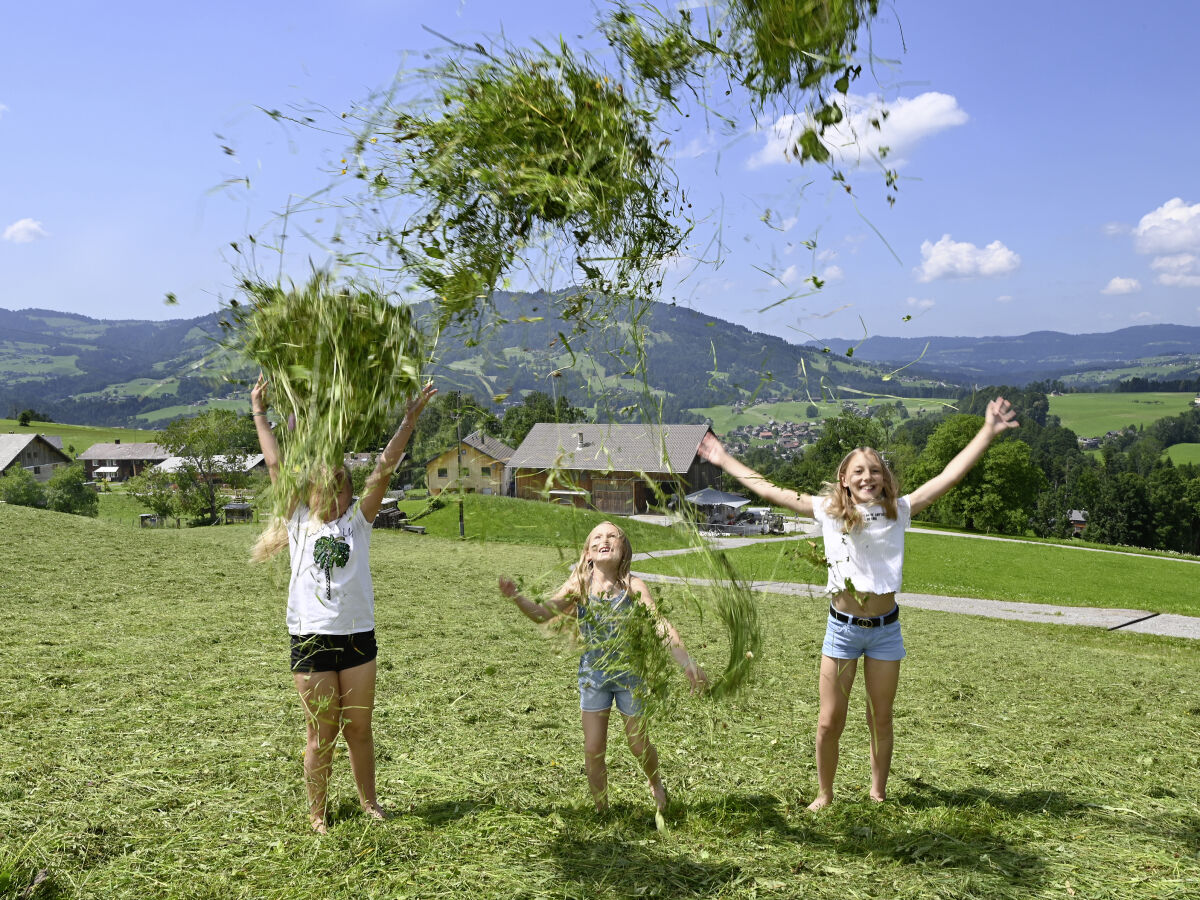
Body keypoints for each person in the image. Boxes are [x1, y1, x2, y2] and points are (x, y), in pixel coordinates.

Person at [698, 397, 1018, 809]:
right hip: (843, 631)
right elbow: (772, 490)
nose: (868, 476)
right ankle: (825, 795)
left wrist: (988, 431)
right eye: (859, 471)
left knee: (880, 718)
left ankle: (877, 793)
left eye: (876, 471)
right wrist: (723, 458)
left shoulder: (899, 511)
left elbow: (948, 476)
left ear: (884, 479)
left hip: (885, 632)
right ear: (844, 479)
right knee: (830, 720)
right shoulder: (830, 512)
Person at [251, 373, 436, 833]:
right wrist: (260, 412)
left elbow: (385, 467)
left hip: (357, 639)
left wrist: (409, 419)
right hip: (311, 641)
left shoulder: (359, 523)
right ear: (310, 491)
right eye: (326, 485)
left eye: (342, 485)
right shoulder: (296, 522)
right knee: (320, 733)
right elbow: (275, 464)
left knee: (358, 729)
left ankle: (369, 802)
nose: (335, 493)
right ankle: (317, 812)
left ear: (351, 492)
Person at [499, 521, 708, 816]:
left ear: (623, 550)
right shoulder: (579, 585)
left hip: (630, 677)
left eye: (612, 536)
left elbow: (660, 624)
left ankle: (655, 781)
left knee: (638, 744)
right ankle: (603, 811)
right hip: (593, 678)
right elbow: (543, 613)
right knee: (593, 748)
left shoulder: (633, 587)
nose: (604, 539)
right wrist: (517, 597)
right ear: (588, 552)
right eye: (597, 537)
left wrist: (687, 663)